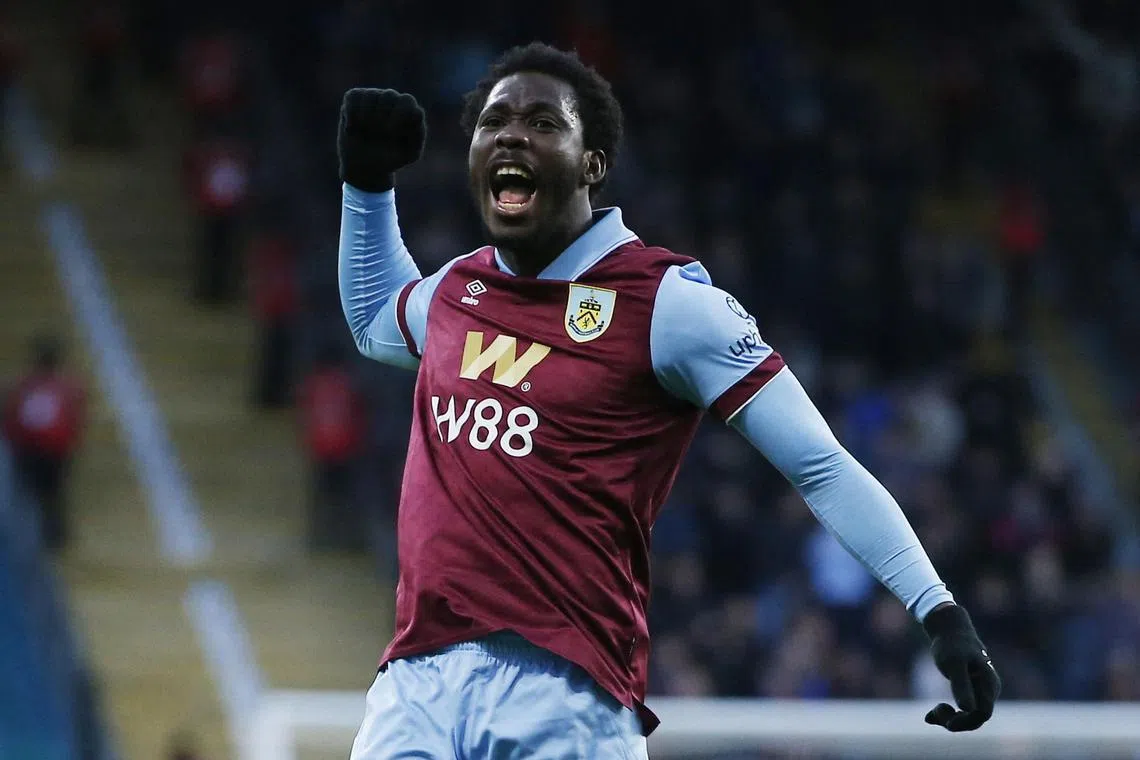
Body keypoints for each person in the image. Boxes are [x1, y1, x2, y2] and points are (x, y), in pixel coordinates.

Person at [336, 43, 1001, 758]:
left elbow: (820, 465)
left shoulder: (668, 305)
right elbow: (377, 321)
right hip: (416, 681)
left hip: (563, 693)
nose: (511, 135)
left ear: (593, 163)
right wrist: (367, 189)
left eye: (542, 122)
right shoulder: (459, 290)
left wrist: (938, 610)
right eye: (493, 121)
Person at [2, 336, 86, 550]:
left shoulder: (23, 385)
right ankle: (54, 537)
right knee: (52, 495)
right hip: (55, 452)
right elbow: (74, 419)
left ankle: (32, 538)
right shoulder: (68, 387)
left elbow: (9, 417)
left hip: (28, 451)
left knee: (29, 496)